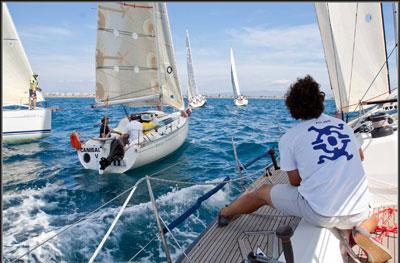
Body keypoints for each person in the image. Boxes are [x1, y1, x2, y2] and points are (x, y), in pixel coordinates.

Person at [218, 75, 391, 262]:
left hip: (322, 213)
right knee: (372, 213)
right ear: (320, 101)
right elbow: (361, 157)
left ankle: (225, 213)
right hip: (357, 210)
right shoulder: (344, 127)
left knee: (262, 192)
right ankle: (363, 231)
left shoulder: (289, 138)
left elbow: (295, 182)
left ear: (293, 108)